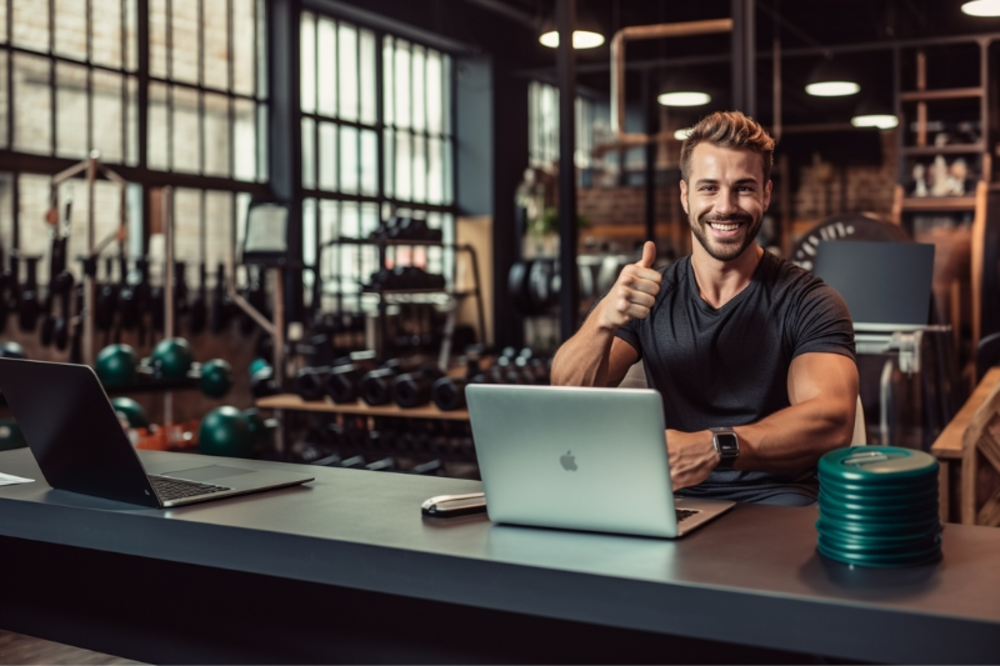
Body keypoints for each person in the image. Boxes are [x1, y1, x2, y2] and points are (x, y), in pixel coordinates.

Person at [550, 110, 859, 506]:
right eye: (709, 188)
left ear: (766, 194)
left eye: (743, 188)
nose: (725, 206)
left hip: (773, 502)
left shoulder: (809, 301)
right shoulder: (650, 293)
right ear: (685, 196)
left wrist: (716, 447)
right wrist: (603, 321)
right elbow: (565, 398)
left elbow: (830, 422)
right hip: (668, 501)